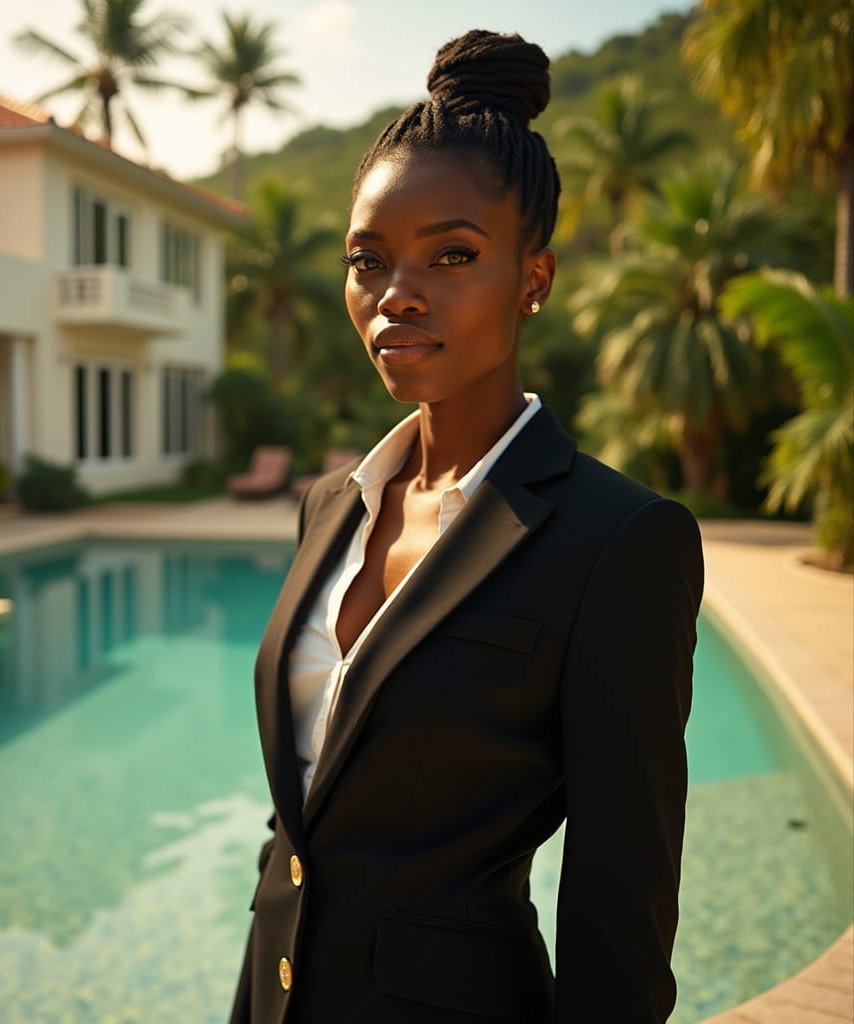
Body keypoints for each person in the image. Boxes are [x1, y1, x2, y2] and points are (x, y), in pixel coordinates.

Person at [229, 28, 703, 1024]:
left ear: (535, 275)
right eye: (369, 259)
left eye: (453, 254)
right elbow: (303, 818)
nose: (396, 292)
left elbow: (622, 894)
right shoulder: (331, 505)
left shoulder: (618, 540)